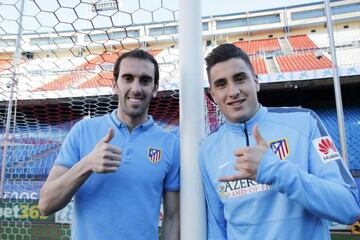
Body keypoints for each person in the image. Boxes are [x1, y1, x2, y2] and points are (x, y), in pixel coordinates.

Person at [199, 43, 360, 240]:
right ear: (213, 95)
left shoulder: (305, 122)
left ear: (256, 82)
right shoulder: (207, 149)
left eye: (240, 79)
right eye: (221, 84)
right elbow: (217, 228)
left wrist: (274, 170)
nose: (232, 91)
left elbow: (349, 208)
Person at [39, 49, 180, 240]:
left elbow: (173, 218)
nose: (136, 88)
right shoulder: (83, 131)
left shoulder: (171, 145)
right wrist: (86, 164)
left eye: (145, 80)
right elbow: (45, 205)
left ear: (155, 88)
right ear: (115, 85)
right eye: (128, 78)